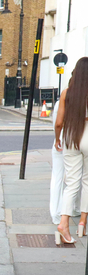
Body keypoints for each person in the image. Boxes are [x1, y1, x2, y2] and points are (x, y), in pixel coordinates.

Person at [55, 57, 88, 244]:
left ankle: (64, 223)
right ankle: (82, 222)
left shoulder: (67, 93)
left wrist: (56, 139)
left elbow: (59, 122)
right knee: (87, 181)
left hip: (71, 135)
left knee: (72, 183)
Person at [50, 98, 81, 224]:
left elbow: (56, 124)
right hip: (75, 140)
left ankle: (55, 213)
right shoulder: (80, 101)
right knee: (76, 177)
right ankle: (75, 208)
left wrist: (57, 139)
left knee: (57, 176)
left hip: (61, 140)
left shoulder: (60, 101)